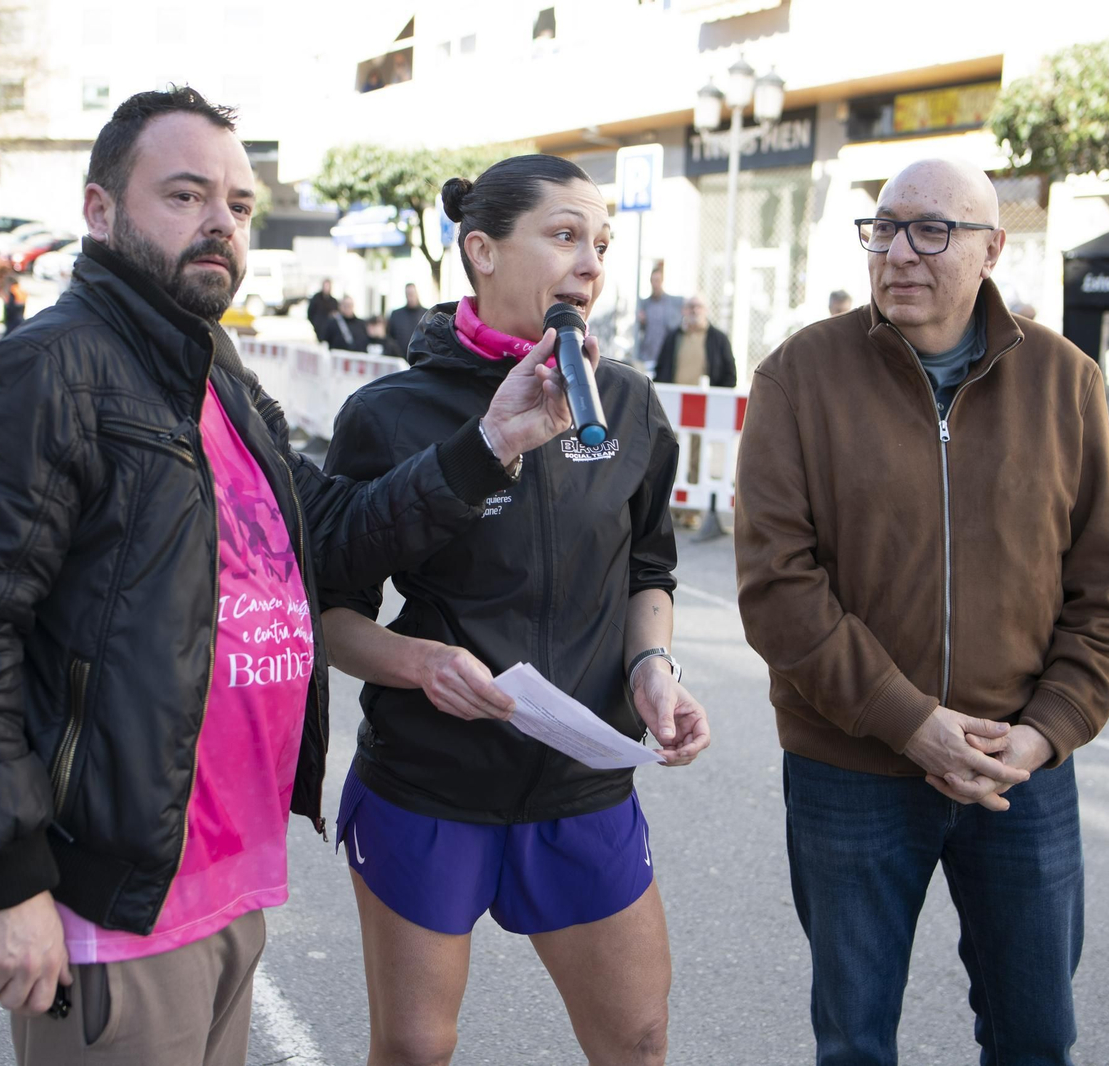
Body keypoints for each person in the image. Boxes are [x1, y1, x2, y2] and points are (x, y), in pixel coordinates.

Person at [0, 88, 583, 1066]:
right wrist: (5, 879)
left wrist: (491, 441)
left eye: (240, 205)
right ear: (99, 210)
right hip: (119, 904)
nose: (220, 222)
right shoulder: (46, 375)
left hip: (227, 881)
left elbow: (326, 534)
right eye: (184, 195)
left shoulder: (210, 366)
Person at [733, 158, 1109, 1065]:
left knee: (1035, 1037)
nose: (899, 253)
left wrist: (1041, 736)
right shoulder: (801, 375)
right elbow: (776, 586)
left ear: (992, 249)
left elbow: (1106, 598)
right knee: (854, 1041)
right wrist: (910, 723)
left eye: (932, 230)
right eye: (884, 227)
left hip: (1018, 774)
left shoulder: (1064, 383)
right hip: (852, 768)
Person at [319, 154, 711, 1066]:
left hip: (580, 780)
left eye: (601, 243)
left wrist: (654, 668)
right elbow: (329, 613)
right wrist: (417, 664)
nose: (591, 262)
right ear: (482, 250)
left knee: (640, 1038)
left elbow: (649, 566)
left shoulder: (627, 403)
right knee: (415, 1048)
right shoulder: (388, 414)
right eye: (566, 235)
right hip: (430, 781)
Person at [653, 293, 736, 387]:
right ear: (683, 310)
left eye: (699, 306)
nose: (695, 310)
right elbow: (660, 369)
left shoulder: (719, 339)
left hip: (708, 400)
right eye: (691, 306)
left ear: (706, 310)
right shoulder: (672, 337)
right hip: (675, 398)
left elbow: (730, 374)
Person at [635, 263, 682, 371]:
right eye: (653, 280)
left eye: (658, 280)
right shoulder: (645, 304)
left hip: (664, 356)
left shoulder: (671, 304)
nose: (655, 284)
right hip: (646, 356)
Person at [386, 282, 428, 354]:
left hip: (420, 358)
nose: (410, 297)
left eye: (412, 294)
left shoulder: (427, 315)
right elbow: (389, 337)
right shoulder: (396, 315)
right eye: (408, 294)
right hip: (400, 357)